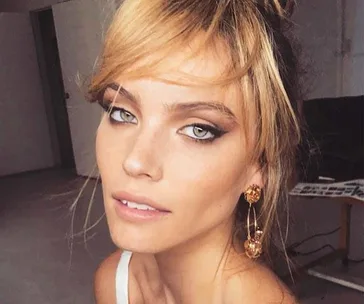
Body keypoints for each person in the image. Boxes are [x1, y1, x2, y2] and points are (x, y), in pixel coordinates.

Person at [89, 0, 301, 302]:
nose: (135, 161)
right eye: (122, 113)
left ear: (260, 165)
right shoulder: (113, 282)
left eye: (197, 130)